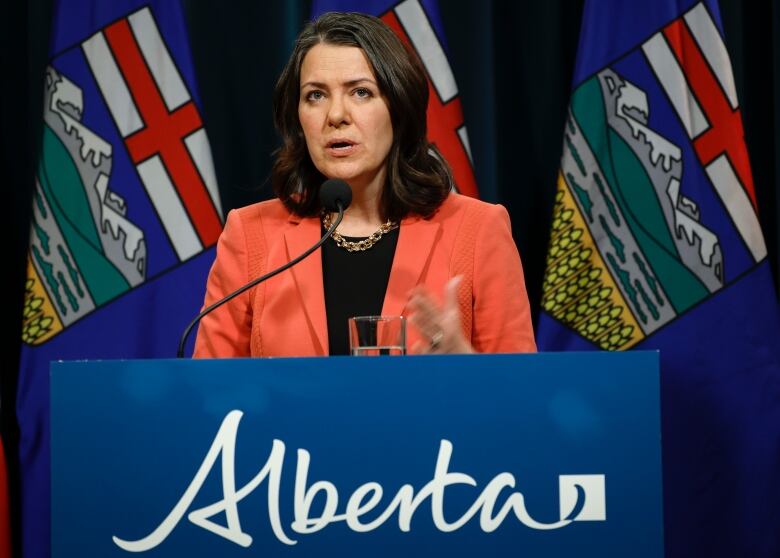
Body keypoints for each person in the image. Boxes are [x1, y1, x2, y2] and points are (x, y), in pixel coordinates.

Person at [194, 12, 536, 357]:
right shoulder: (250, 236)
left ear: (398, 108)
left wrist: (468, 369)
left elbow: (525, 398)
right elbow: (207, 395)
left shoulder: (478, 230)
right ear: (297, 118)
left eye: (360, 92)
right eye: (315, 95)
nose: (336, 115)